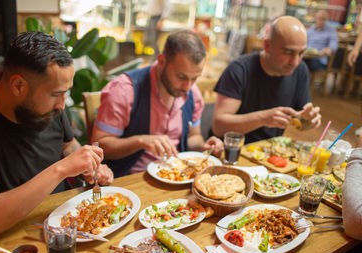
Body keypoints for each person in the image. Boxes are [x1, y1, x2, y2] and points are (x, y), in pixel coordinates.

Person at [0, 32, 113, 243]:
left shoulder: (54, 106)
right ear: (18, 86)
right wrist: (62, 169)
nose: (62, 105)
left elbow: (68, 146)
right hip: (15, 238)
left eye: (66, 93)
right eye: (55, 94)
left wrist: (88, 166)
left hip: (68, 221)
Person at [92, 30, 223, 177]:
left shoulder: (193, 92)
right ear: (161, 61)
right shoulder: (125, 90)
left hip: (177, 177)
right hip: (130, 180)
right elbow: (99, 145)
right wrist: (140, 141)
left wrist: (204, 146)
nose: (187, 87)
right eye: (181, 76)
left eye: (194, 79)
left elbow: (193, 137)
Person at [211, 16, 322, 144]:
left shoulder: (300, 70)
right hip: (229, 150)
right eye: (288, 52)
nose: (295, 62)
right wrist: (263, 118)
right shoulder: (239, 70)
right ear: (267, 46)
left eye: (301, 53)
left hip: (268, 151)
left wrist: (309, 120)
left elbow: (302, 122)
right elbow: (218, 127)